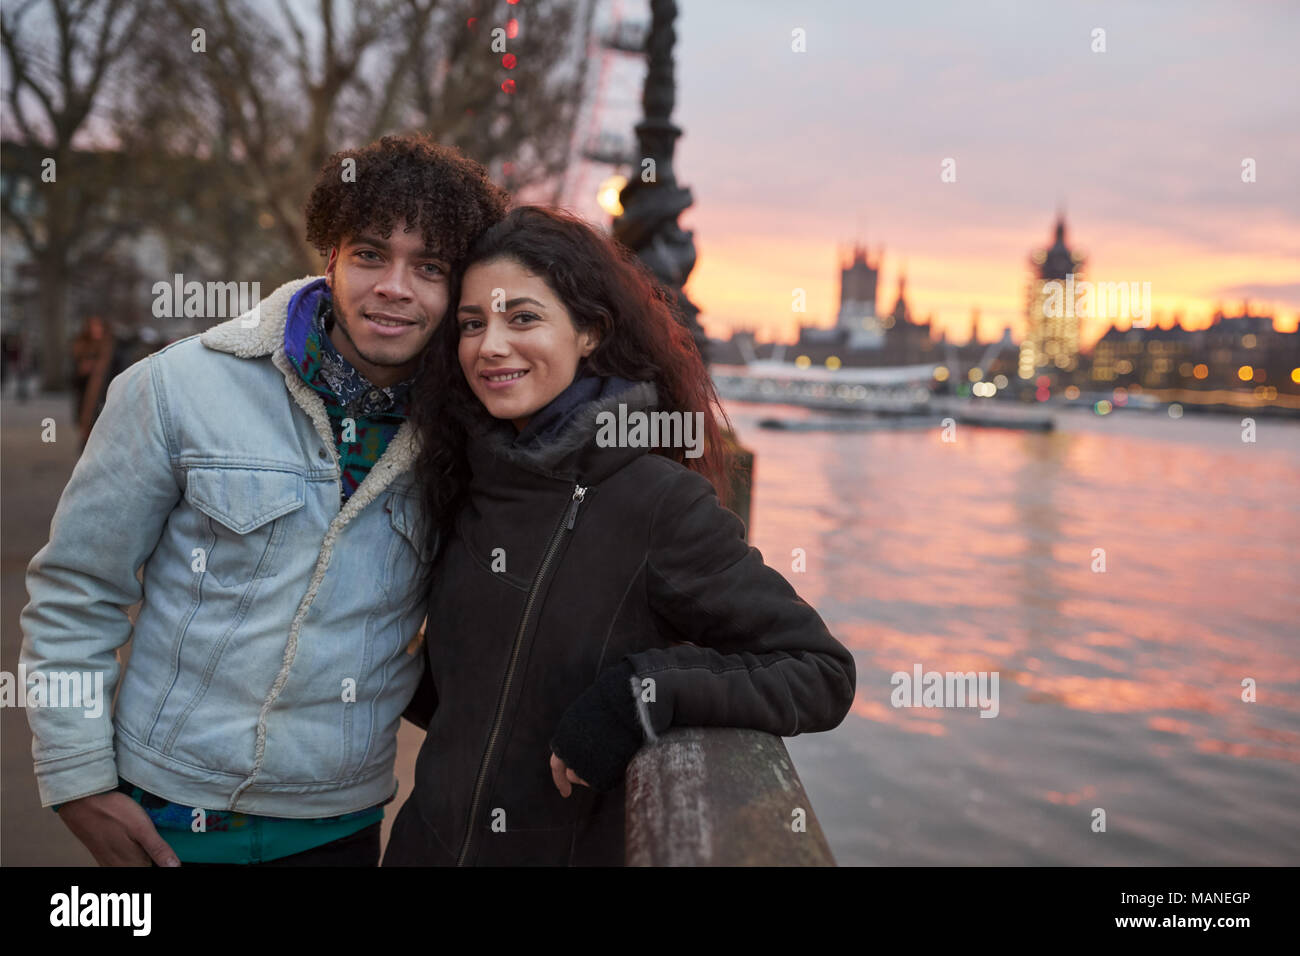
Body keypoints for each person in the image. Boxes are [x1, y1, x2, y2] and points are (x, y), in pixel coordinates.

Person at [19, 134, 508, 866]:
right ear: (331, 255)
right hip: (167, 819)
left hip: (340, 830)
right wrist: (76, 779)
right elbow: (75, 591)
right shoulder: (175, 388)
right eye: (371, 253)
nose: (395, 287)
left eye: (430, 267)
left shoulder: (470, 434)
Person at [383, 206, 856, 866]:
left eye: (522, 317)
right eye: (472, 324)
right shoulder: (463, 478)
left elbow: (820, 672)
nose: (490, 345)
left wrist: (643, 694)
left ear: (589, 332)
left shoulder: (655, 501)